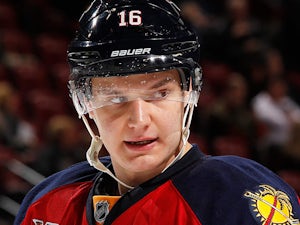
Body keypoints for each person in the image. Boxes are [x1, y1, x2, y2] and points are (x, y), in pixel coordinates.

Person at [15, 0, 300, 225]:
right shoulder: (47, 202)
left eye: (160, 94)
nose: (139, 120)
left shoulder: (239, 198)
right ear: (84, 102)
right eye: (115, 98)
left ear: (188, 93)